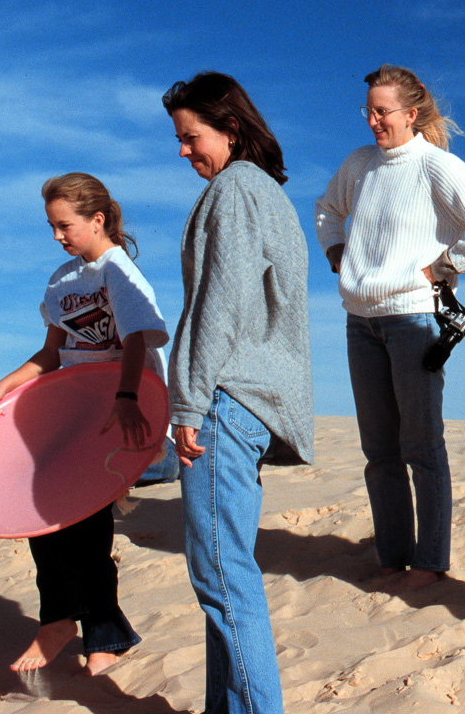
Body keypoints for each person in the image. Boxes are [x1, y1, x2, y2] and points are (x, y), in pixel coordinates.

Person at [314, 64, 465, 593]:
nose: (374, 121)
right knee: (378, 450)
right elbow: (327, 211)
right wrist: (338, 253)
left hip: (414, 319)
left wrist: (443, 267)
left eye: (382, 112)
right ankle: (391, 557)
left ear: (411, 114)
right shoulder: (358, 164)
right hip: (360, 321)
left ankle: (430, 563)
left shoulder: (435, 165)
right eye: (368, 111)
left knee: (421, 445)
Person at [0, 172, 169, 676]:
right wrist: (3, 386)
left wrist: (126, 397)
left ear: (96, 219)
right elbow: (51, 354)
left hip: (120, 414)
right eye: (51, 227)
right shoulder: (62, 280)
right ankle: (62, 620)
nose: (57, 236)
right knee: (40, 511)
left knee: (85, 523)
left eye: (65, 225)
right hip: (75, 413)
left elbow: (136, 343)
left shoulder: (118, 271)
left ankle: (98, 632)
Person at [163, 71, 313, 714]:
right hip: (247, 403)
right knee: (225, 577)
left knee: (223, 579)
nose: (182, 150)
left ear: (230, 129)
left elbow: (217, 306)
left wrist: (189, 402)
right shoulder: (267, 194)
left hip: (225, 402)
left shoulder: (235, 190)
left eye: (191, 136)